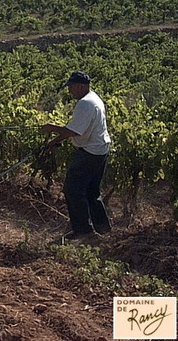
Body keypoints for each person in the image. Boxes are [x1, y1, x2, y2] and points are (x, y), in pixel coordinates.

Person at [41, 71, 112, 239]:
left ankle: (83, 230)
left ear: (80, 86)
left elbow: (73, 131)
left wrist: (52, 128)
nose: (70, 91)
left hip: (89, 152)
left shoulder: (85, 104)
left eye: (71, 87)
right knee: (91, 191)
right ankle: (103, 229)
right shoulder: (94, 98)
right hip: (100, 150)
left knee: (73, 189)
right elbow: (77, 130)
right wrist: (55, 141)